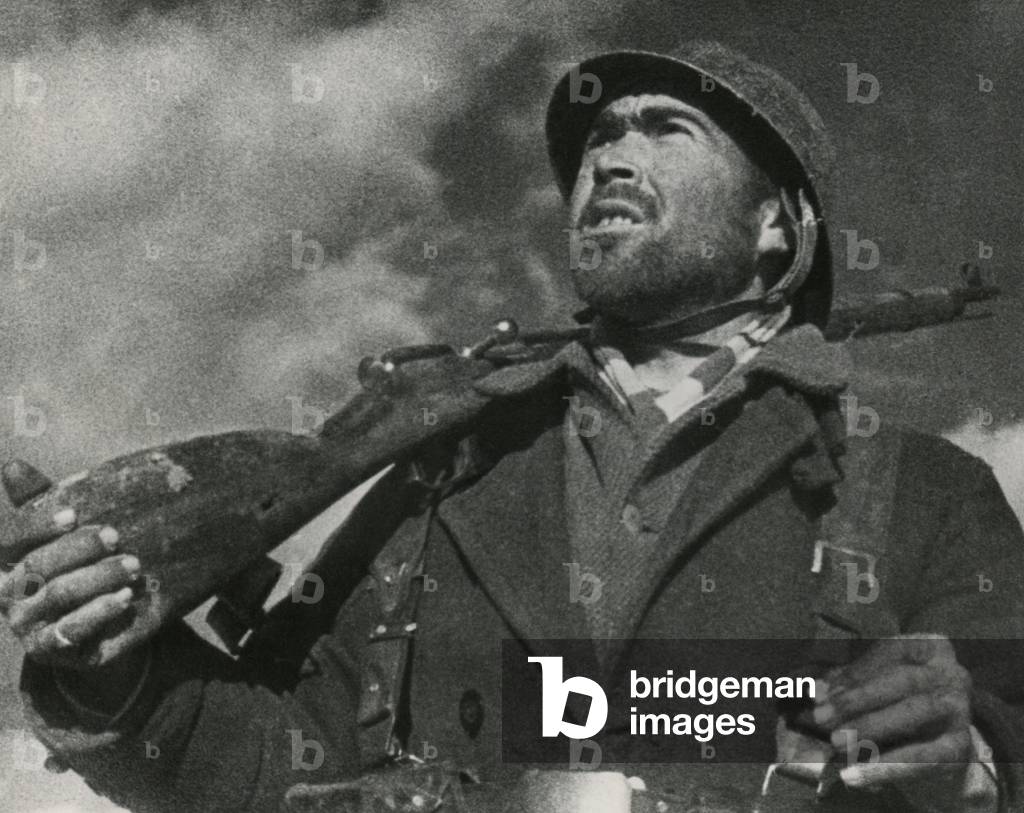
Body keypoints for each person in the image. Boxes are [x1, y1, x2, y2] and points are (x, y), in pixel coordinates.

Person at [3, 41, 1024, 813]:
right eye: (601, 138)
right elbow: (273, 764)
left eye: (668, 130)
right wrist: (113, 671)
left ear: (777, 228)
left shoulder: (922, 492)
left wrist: (969, 752)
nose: (609, 158)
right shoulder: (443, 473)